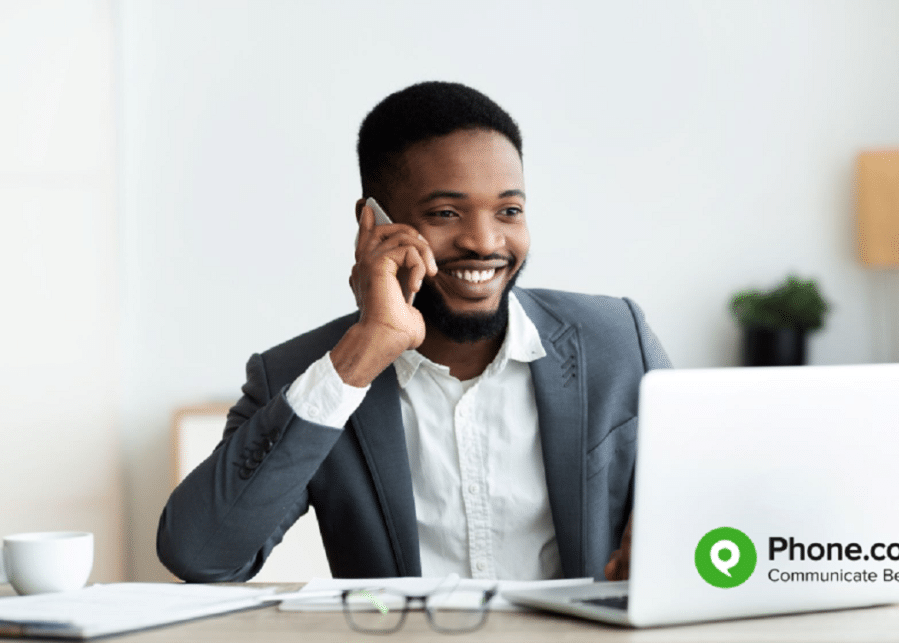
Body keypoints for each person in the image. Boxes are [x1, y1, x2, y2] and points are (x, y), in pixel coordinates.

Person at [157, 81, 670, 583]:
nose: (485, 241)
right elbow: (201, 555)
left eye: (509, 211)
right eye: (445, 213)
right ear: (373, 223)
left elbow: (721, 508)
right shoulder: (306, 379)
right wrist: (364, 353)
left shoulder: (617, 341)